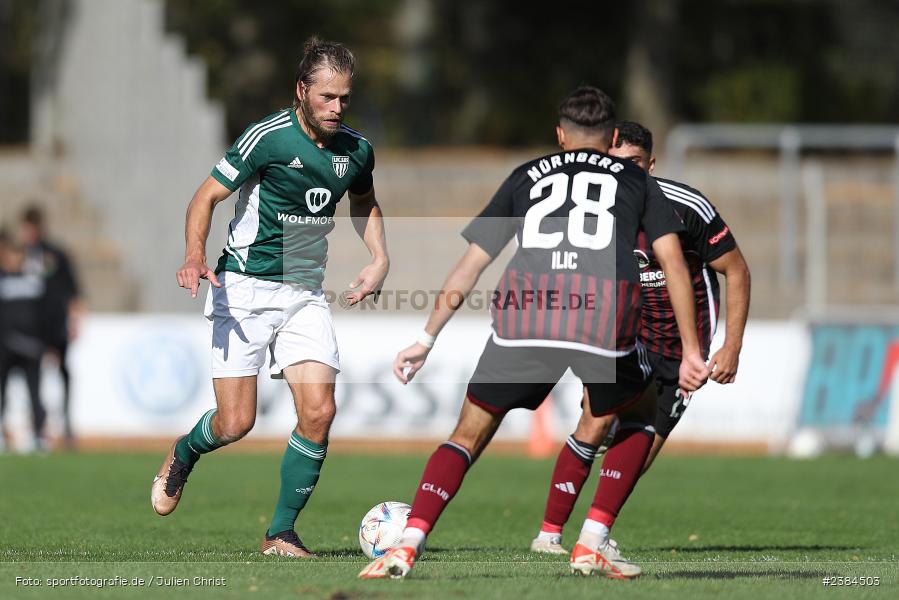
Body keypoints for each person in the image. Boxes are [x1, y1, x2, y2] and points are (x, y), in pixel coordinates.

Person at [359, 87, 709, 581]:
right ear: (612, 137)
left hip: (525, 318)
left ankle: (407, 544)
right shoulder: (636, 180)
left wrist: (426, 338)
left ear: (560, 135)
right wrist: (692, 350)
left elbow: (472, 264)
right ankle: (591, 541)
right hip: (599, 320)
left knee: (466, 436)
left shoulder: (527, 175)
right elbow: (672, 262)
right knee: (641, 411)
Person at [151, 36, 389, 558]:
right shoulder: (268, 137)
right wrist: (194, 255)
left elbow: (365, 201)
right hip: (244, 287)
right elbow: (205, 197)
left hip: (304, 292)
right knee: (236, 423)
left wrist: (379, 257)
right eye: (327, 96)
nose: (337, 107)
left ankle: (279, 532)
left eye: (344, 98)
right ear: (302, 90)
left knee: (320, 411)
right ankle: (185, 451)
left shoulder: (356, 150)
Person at [530, 121, 751, 555]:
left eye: (634, 163)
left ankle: (594, 535)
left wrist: (732, 346)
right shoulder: (593, 214)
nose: (624, 173)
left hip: (683, 348)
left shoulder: (687, 207)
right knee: (593, 422)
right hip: (626, 335)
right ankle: (549, 535)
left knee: (639, 452)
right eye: (615, 164)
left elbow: (737, 270)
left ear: (650, 165)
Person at [19, 205, 83, 449]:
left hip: (56, 324)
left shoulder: (55, 255)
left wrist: (74, 320)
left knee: (63, 371)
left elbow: (73, 289)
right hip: (32, 327)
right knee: (32, 375)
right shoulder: (19, 256)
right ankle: (37, 425)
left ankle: (66, 423)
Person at [0, 230, 48, 453]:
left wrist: (46, 343)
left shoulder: (34, 282)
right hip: (4, 348)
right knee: (2, 393)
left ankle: (38, 436)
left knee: (34, 393)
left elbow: (45, 315)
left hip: (31, 348)